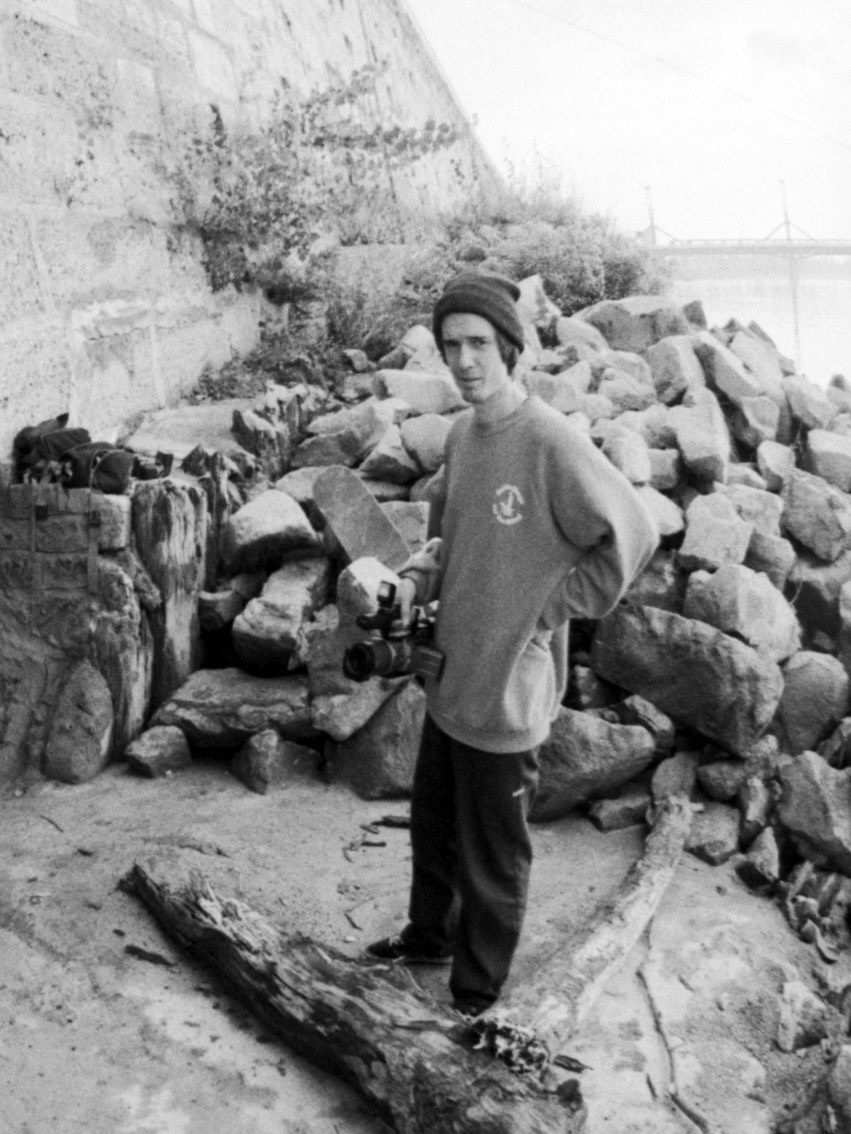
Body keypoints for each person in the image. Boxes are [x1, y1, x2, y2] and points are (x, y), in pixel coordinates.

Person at [365, 271, 659, 1018]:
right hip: (451, 677)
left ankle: (474, 995)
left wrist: (546, 613)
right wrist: (419, 578)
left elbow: (633, 535)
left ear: (511, 349)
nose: (464, 361)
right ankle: (428, 938)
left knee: (493, 855)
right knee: (433, 829)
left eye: (479, 344)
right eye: (451, 345)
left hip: (508, 686)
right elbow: (450, 540)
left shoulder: (549, 440)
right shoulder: (463, 435)